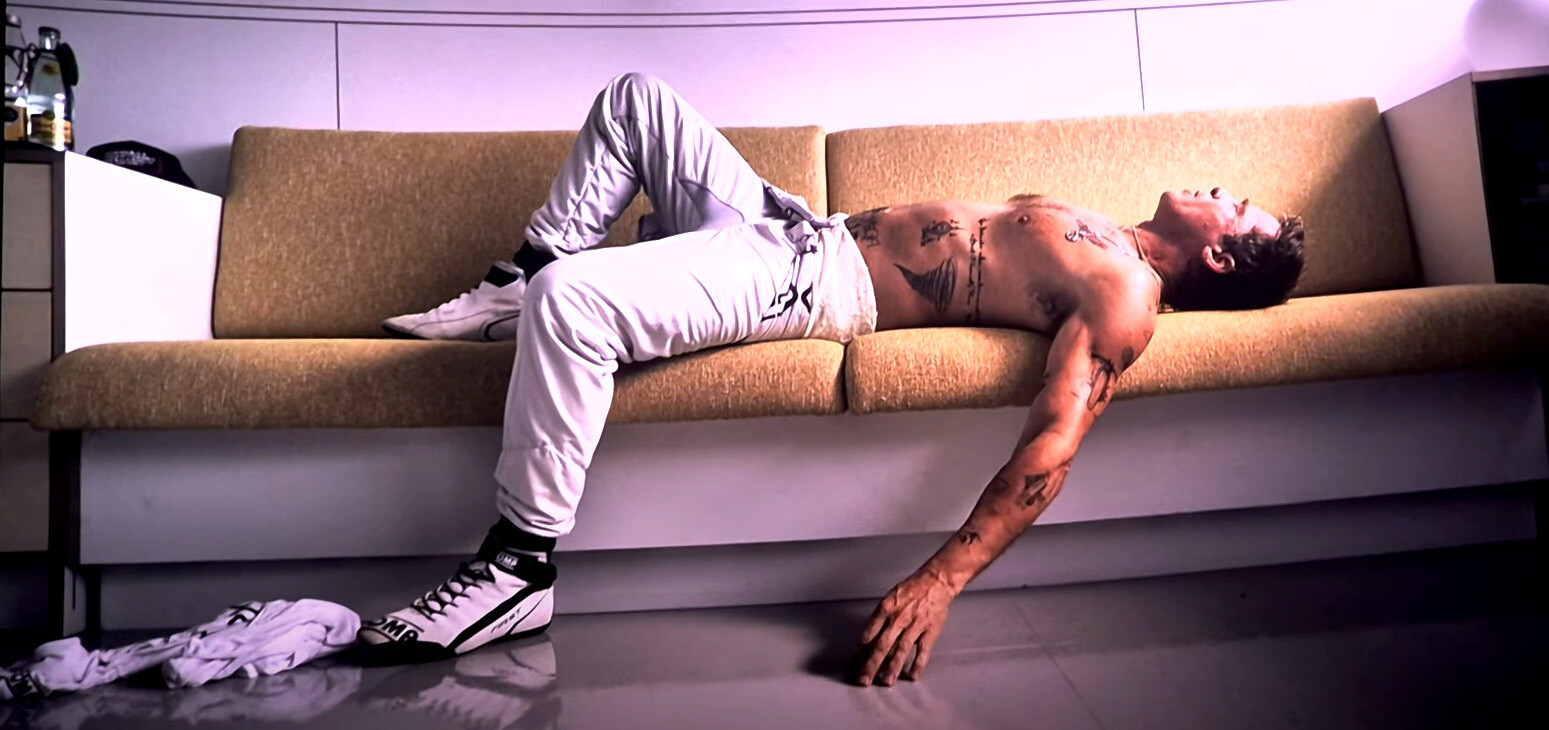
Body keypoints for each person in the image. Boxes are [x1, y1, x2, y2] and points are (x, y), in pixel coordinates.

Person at [359, 72, 1306, 687]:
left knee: (571, 302)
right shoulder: (1111, 239)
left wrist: (940, 581)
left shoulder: (1126, 298)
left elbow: (1052, 449)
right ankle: (519, 278)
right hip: (793, 228)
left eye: (1239, 209)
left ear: (1220, 259)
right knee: (636, 100)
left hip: (805, 283)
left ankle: (516, 568)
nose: (1222, 191)